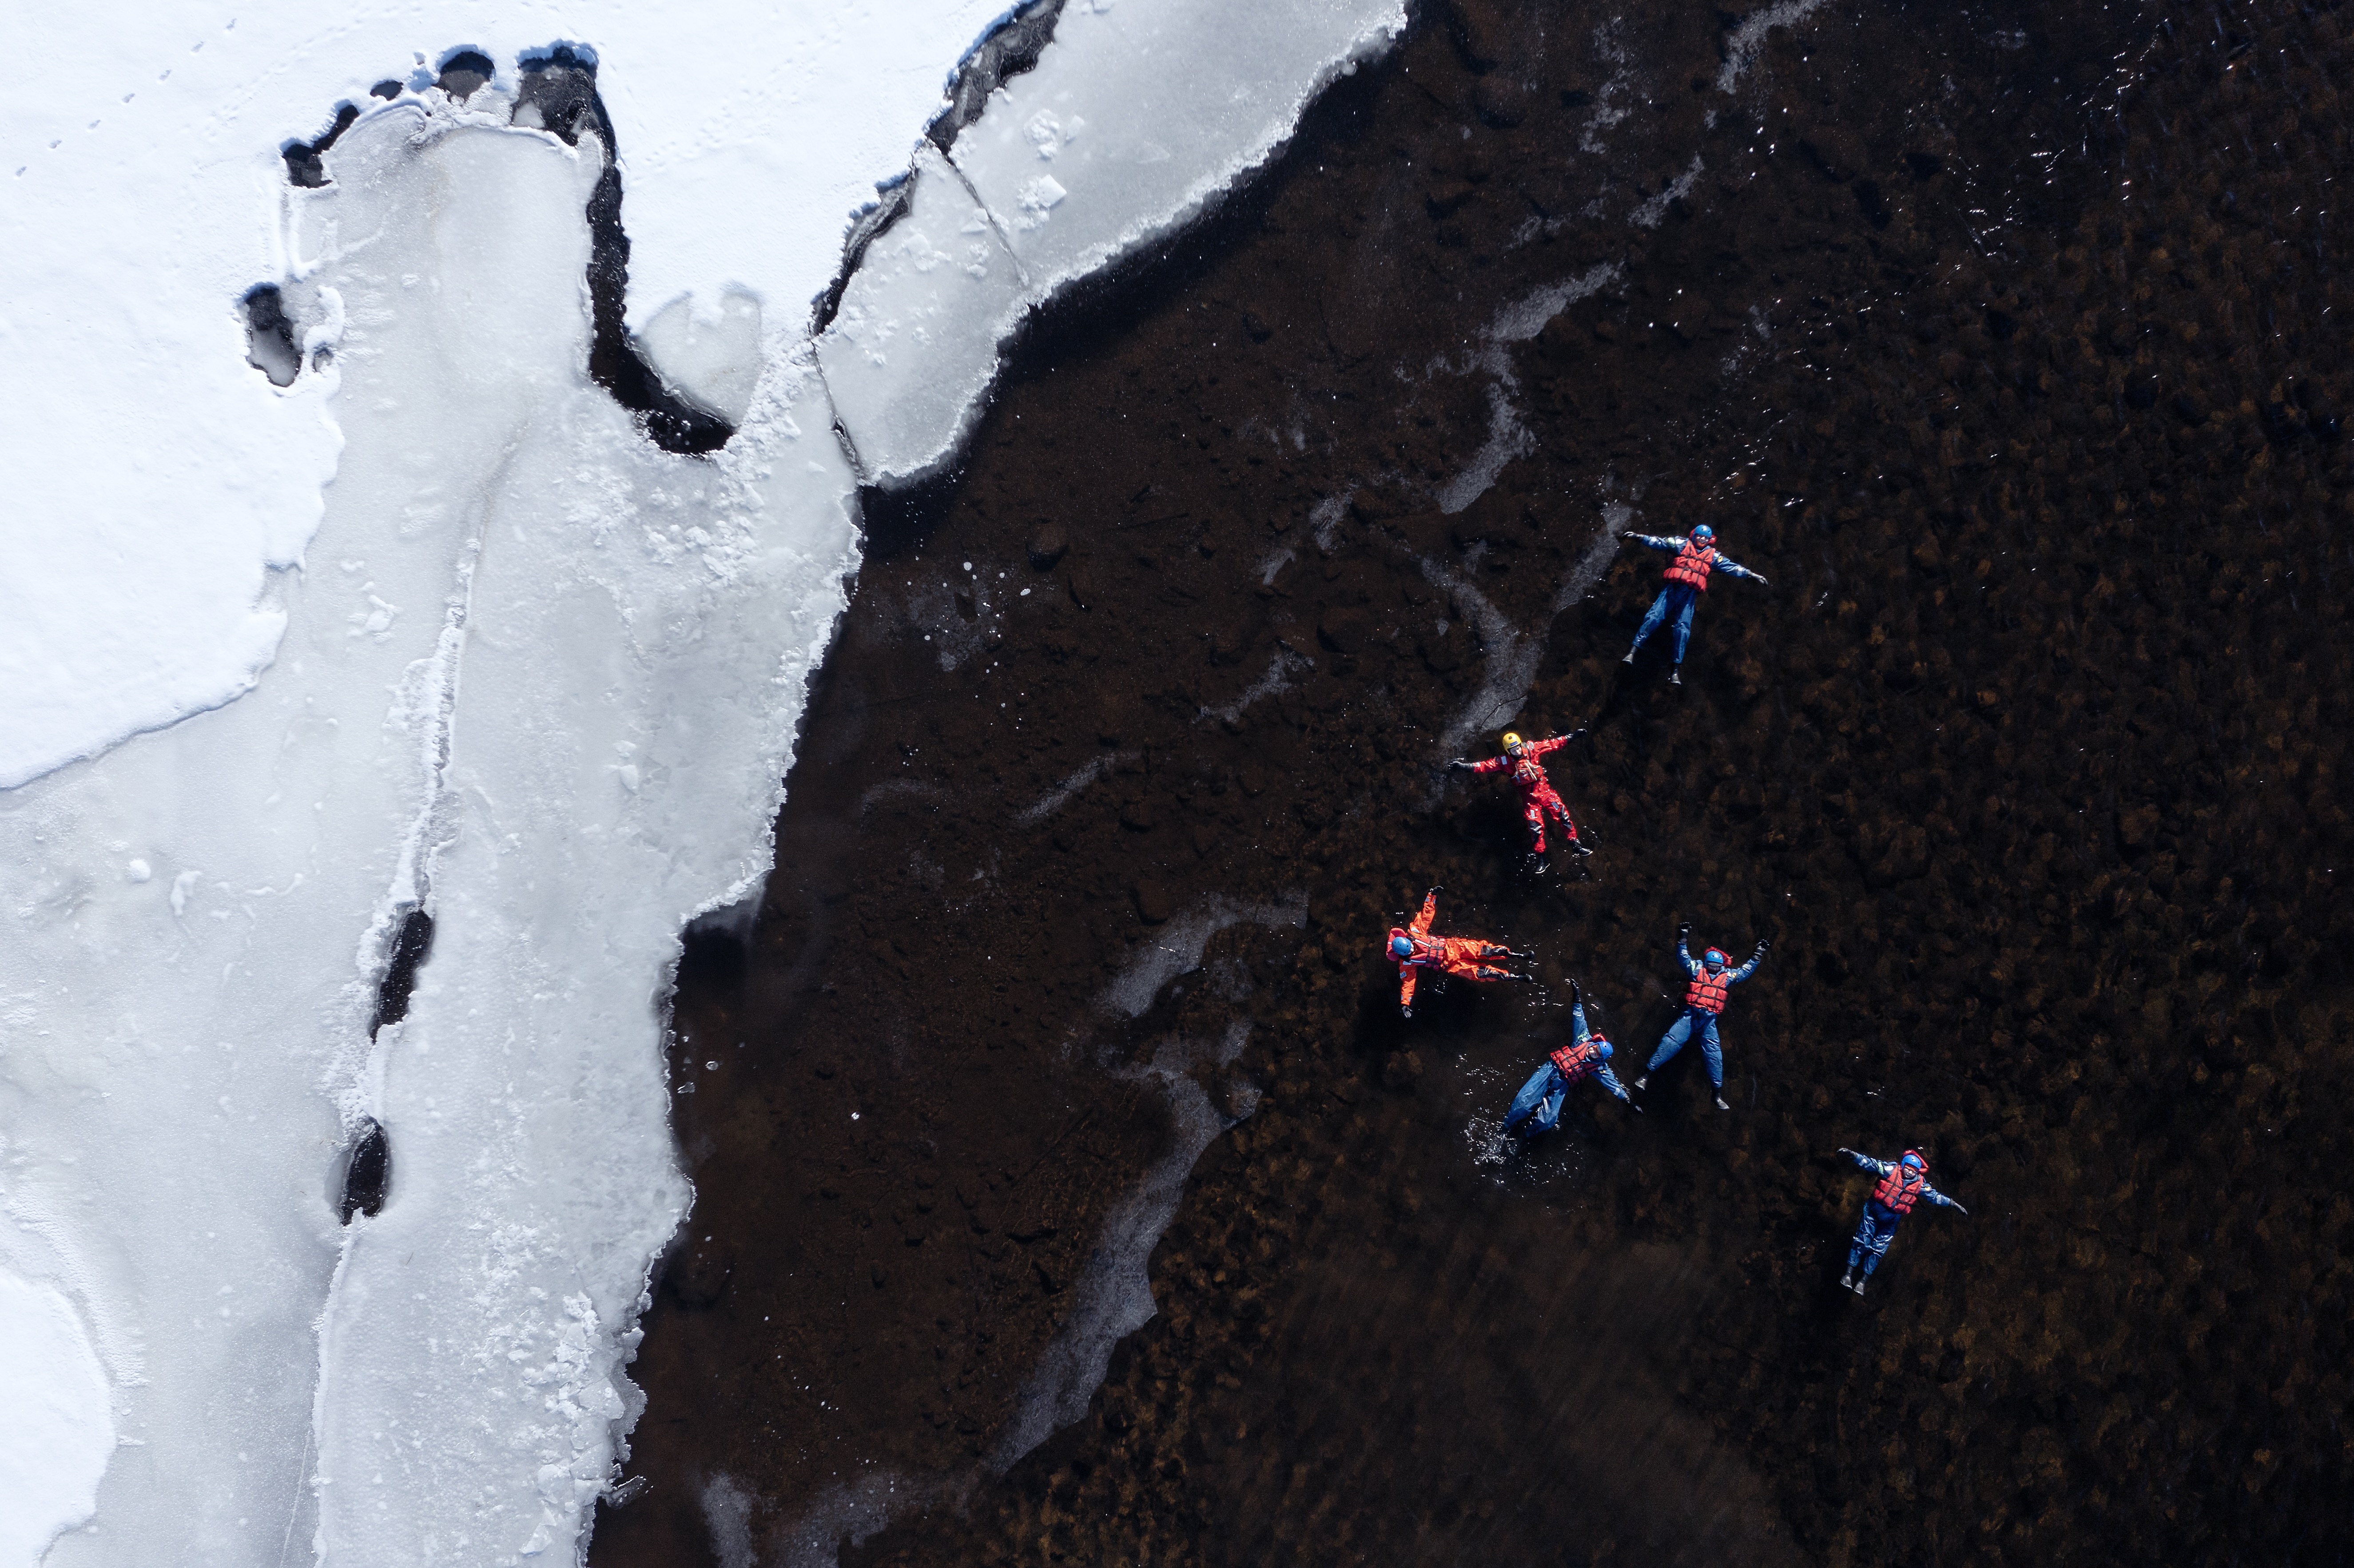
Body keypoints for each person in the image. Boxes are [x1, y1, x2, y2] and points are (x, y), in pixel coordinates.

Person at [1632, 922, 1767, 1110]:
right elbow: (1683, 957)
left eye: (1716, 966)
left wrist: (1757, 955)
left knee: (1715, 1055)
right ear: (1706, 963)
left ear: (1721, 966)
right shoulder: (1696, 970)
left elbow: (1746, 971)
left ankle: (1717, 1094)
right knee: (1671, 1042)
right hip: (1689, 1016)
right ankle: (1646, 1075)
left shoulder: (1728, 977)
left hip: (1708, 1022)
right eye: (1710, 965)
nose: (1712, 968)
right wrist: (1683, 938)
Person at [1620, 523, 1769, 683]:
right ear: (1694, 535)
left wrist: (1750, 574)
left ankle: (1675, 669)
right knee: (1654, 617)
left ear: (1710, 540)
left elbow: (1731, 567)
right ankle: (1633, 651)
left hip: (1689, 595)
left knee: (1683, 629)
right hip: (1672, 590)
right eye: (1700, 536)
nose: (1702, 540)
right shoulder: (1681, 544)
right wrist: (1639, 537)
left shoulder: (1713, 556)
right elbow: (1660, 542)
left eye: (1706, 538)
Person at [1449, 728, 1592, 873]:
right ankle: (1543, 858)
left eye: (1518, 747)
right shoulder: (1505, 762)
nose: (1517, 751)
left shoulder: (1531, 749)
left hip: (1545, 792)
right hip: (1530, 800)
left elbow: (1553, 743)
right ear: (1508, 750)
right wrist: (1464, 767)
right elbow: (1485, 766)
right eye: (1513, 749)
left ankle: (1575, 843)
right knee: (1535, 829)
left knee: (1563, 816)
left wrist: (1573, 736)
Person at [1504, 980, 1635, 1136]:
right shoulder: (1583, 1040)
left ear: (1600, 1059)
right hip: (1551, 1069)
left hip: (1563, 1084)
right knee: (1523, 1105)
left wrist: (1628, 1101)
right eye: (1595, 1047)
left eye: (1597, 1053)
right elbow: (1579, 1018)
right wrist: (1577, 996)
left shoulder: (1600, 1069)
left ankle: (1524, 1135)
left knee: (1549, 1120)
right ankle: (1506, 1126)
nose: (1593, 1051)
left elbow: (1613, 1085)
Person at [1836, 1147, 1967, 1294]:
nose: (1910, 1172)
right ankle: (1848, 1274)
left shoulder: (1920, 1185)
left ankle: (1863, 1281)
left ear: (1918, 1172)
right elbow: (1872, 1164)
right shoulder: (1891, 1170)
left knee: (1878, 1249)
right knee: (1862, 1240)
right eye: (1908, 1168)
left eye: (1914, 1171)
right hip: (1874, 1211)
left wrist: (1952, 1204)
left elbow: (1935, 1197)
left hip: (1892, 1219)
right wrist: (1854, 1155)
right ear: (1903, 1166)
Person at [1386, 887, 1532, 1017]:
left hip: (1454, 946)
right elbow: (1408, 983)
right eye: (1410, 951)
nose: (1413, 949)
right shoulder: (1407, 964)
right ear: (1403, 954)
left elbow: (1426, 915)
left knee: (1488, 950)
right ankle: (1516, 977)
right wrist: (1406, 1004)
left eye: (1411, 946)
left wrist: (1431, 896)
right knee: (1482, 973)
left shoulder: (1415, 932)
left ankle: (1518, 955)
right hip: (1450, 965)